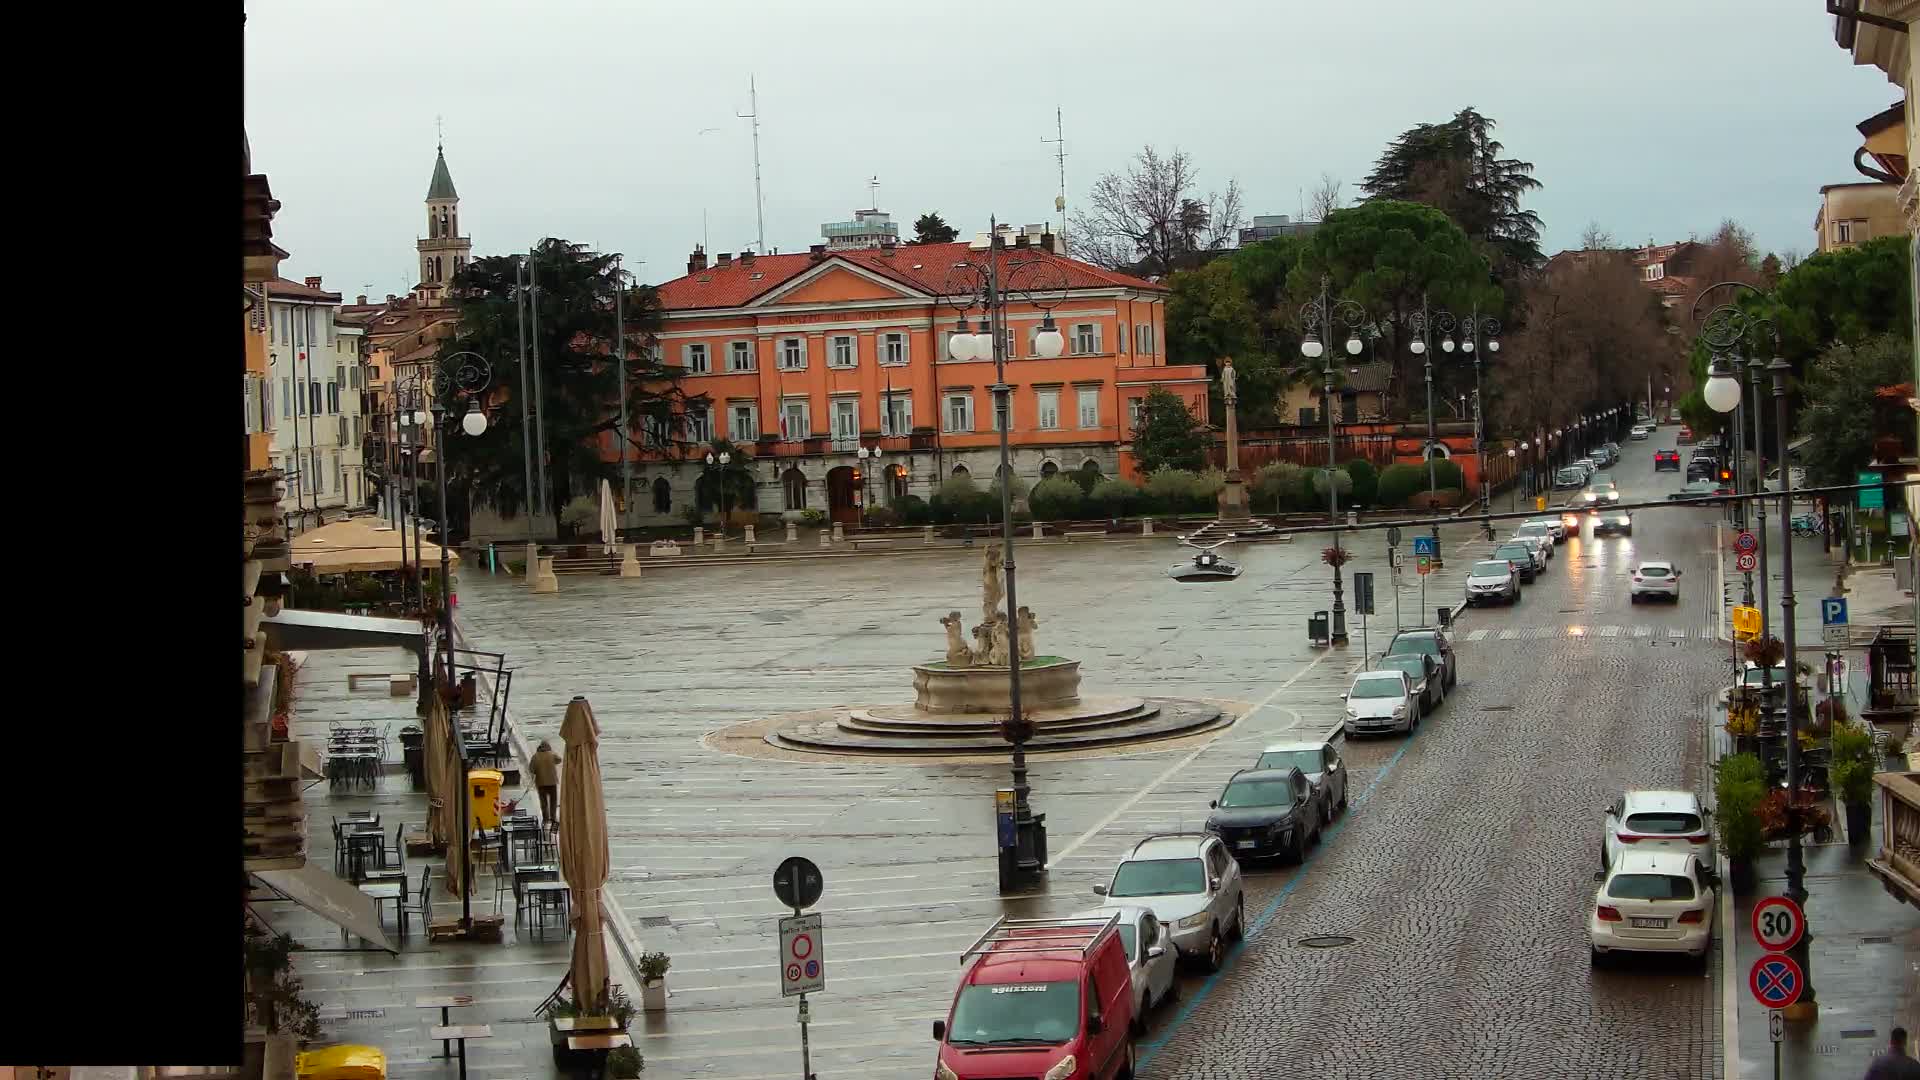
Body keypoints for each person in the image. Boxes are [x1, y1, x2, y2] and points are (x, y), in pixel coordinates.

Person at [529, 740, 561, 830]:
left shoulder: (535, 756)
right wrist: (552, 752)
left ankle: (546, 819)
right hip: (552, 782)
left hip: (541, 783)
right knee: (553, 801)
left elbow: (531, 769)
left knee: (544, 803)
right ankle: (553, 818)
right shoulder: (551, 755)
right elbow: (559, 760)